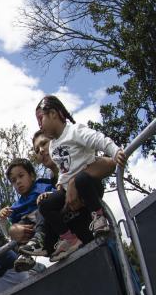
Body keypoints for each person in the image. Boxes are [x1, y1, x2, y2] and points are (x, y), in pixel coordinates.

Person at [32, 95, 127, 260]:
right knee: (46, 206)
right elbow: (64, 170)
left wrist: (115, 151)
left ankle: (98, 217)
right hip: (69, 190)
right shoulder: (54, 146)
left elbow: (98, 139)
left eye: (41, 119)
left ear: (53, 113)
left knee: (82, 179)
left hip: (88, 183)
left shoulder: (74, 131)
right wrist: (60, 187)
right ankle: (69, 239)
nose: (40, 125)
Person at [0, 157, 54, 270]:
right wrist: (2, 217)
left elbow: (57, 195)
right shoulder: (16, 206)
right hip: (30, 232)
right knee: (16, 228)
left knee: (42, 207)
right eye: (13, 180)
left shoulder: (42, 187)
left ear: (32, 176)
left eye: (21, 176)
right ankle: (26, 257)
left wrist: (48, 194)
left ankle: (39, 239)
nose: (18, 181)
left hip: (48, 227)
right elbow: (10, 232)